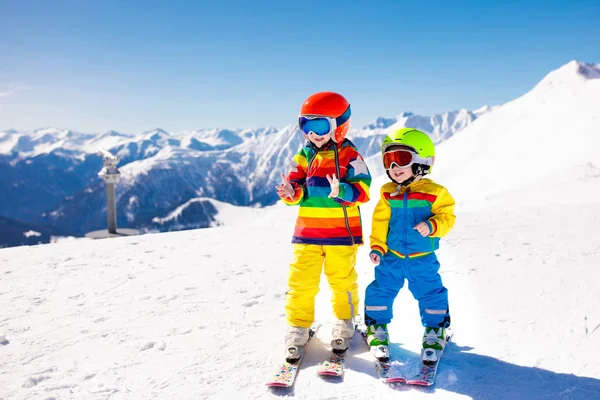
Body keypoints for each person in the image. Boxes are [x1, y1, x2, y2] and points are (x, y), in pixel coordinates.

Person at [276, 91, 371, 361]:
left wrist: (342, 190)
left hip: (341, 236)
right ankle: (298, 327)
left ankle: (344, 321)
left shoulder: (351, 155)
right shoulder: (304, 156)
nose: (313, 133)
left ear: (339, 126)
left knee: (342, 282)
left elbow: (363, 190)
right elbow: (297, 189)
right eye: (306, 125)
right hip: (307, 235)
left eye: (320, 126)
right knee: (300, 282)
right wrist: (289, 192)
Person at [363, 127, 456, 363]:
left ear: (422, 160)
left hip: (422, 257)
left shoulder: (435, 193)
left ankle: (435, 331)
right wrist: (377, 247)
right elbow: (380, 221)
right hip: (391, 257)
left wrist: (433, 225)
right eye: (388, 160)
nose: (394, 167)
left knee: (431, 293)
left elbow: (448, 217)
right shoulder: (387, 193)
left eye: (401, 159)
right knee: (380, 291)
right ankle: (377, 329)